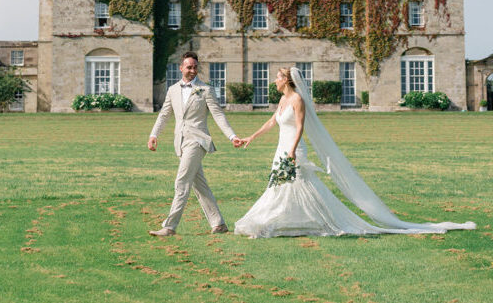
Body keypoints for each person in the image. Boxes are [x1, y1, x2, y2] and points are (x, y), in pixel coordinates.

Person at [235, 67, 476, 238]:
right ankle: (286, 222)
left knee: (297, 184)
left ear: (286, 80)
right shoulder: (282, 100)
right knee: (282, 186)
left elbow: (299, 126)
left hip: (292, 149)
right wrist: (250, 137)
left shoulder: (297, 99)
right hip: (281, 149)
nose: (274, 82)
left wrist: (293, 151)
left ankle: (285, 222)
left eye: (277, 78)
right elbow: (272, 122)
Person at [148, 51, 243, 236]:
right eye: (189, 67)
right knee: (199, 184)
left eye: (195, 67)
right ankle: (219, 224)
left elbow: (218, 115)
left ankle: (169, 227)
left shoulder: (205, 89)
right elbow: (164, 114)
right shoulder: (173, 90)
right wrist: (154, 135)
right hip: (181, 142)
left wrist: (232, 136)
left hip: (198, 141)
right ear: (181, 68)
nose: (192, 70)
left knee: (182, 180)